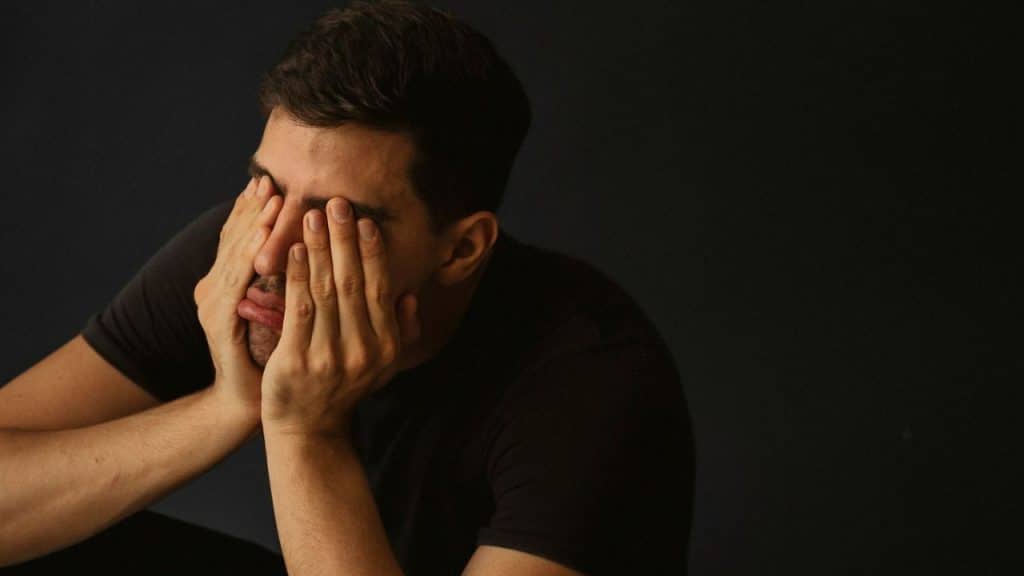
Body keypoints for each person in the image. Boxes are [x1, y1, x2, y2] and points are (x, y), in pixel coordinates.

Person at [0, 1, 693, 574]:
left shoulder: (592, 382)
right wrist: (227, 408)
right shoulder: (248, 249)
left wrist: (306, 430)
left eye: (342, 221)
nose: (271, 250)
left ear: (460, 249)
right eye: (267, 187)